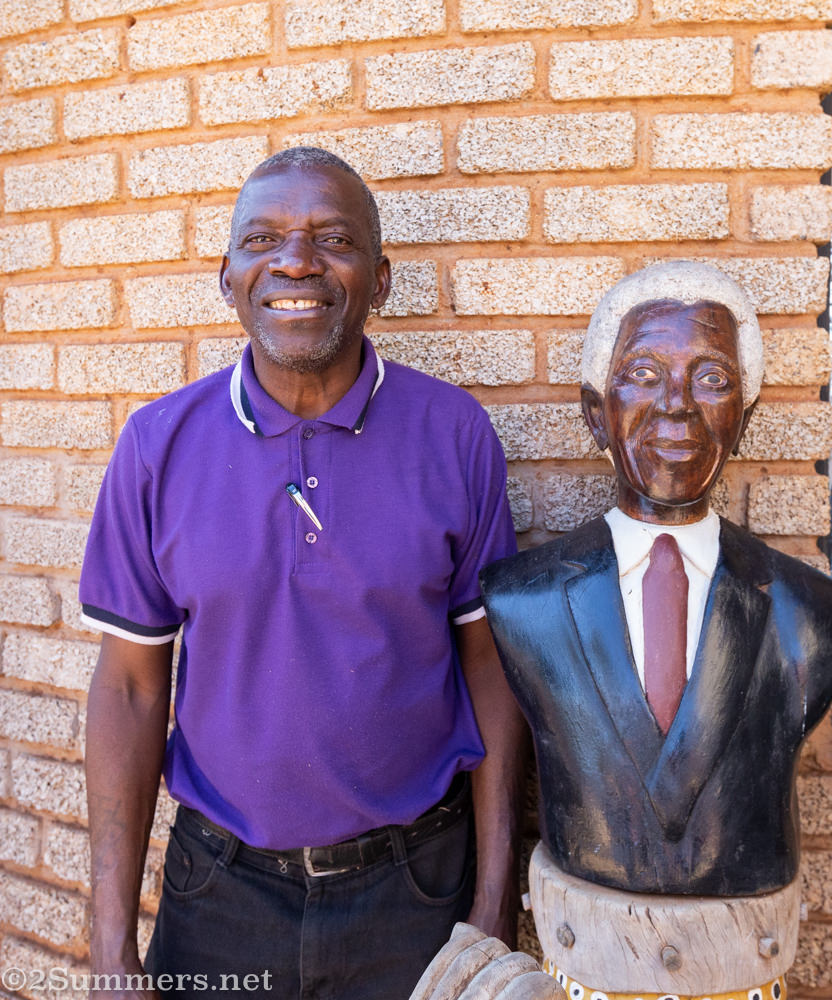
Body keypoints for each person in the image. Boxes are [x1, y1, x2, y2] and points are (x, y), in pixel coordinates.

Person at [80, 147, 527, 1000]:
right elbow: (130, 689)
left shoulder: (455, 434)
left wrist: (494, 903)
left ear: (380, 280)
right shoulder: (156, 447)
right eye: (263, 239)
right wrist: (109, 942)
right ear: (227, 278)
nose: (295, 261)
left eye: (333, 239)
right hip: (219, 897)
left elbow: (493, 672)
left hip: (415, 893)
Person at [479, 262, 832, 1000]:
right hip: (587, 955)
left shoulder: (811, 611)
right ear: (596, 411)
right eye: (644, 375)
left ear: (745, 415)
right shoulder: (523, 599)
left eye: (711, 378)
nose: (677, 406)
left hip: (743, 961)